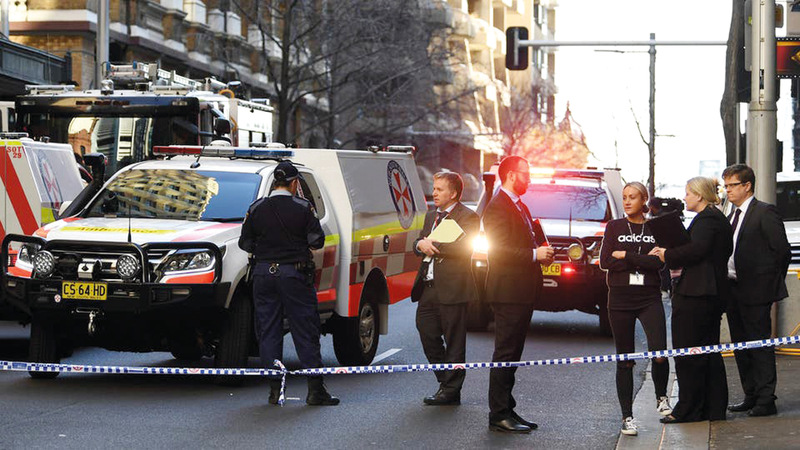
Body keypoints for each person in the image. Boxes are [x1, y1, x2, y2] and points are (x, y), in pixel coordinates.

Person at [238, 161, 339, 406]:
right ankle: (315, 390)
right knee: (305, 329)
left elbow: (245, 243)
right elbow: (317, 241)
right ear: (294, 183)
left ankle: (275, 390)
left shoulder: (256, 208)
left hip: (263, 275)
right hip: (294, 275)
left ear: (275, 182)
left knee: (268, 331)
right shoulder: (303, 208)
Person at [483, 155, 554, 434]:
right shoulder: (497, 206)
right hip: (508, 292)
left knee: (513, 353)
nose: (529, 179)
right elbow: (498, 250)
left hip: (522, 290)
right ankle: (498, 414)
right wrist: (535, 254)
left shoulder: (519, 204)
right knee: (505, 352)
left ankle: (507, 408)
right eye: (526, 173)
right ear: (511, 175)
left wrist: (541, 252)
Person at [651, 177, 732, 423]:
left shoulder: (707, 220)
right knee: (708, 352)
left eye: (688, 193)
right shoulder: (714, 218)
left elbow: (697, 250)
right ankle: (712, 408)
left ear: (699, 195)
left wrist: (667, 254)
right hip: (708, 293)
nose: (684, 197)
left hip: (697, 294)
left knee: (688, 353)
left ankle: (688, 409)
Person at [599, 182, 671, 436]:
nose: (627, 202)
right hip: (620, 299)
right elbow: (605, 261)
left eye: (633, 197)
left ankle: (661, 397)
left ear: (644, 200)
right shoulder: (614, 226)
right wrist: (642, 260)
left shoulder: (655, 228)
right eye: (624, 197)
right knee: (625, 360)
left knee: (659, 351)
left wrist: (626, 257)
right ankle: (627, 416)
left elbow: (659, 263)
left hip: (649, 297)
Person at [722, 164, 790, 417]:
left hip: (757, 292)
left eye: (732, 185)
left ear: (747, 186)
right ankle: (750, 394)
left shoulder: (764, 212)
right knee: (740, 346)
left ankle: (765, 399)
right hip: (733, 290)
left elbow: (782, 251)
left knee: (760, 346)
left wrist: (767, 282)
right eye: (726, 186)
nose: (728, 190)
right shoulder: (731, 215)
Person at [411, 171, 479, 405]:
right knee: (426, 332)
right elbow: (419, 242)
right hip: (428, 287)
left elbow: (465, 248)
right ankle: (446, 381)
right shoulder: (431, 216)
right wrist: (420, 244)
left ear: (454, 193)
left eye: (440, 189)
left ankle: (451, 391)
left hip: (453, 288)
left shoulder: (468, 217)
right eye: (434, 188)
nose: (434, 193)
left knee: (454, 342)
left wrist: (433, 244)